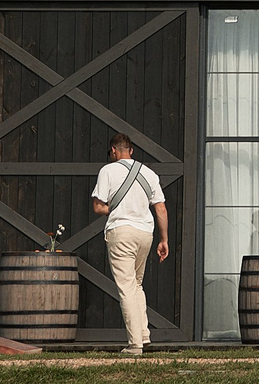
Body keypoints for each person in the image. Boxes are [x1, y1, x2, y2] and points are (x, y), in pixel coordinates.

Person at [92, 133, 170, 355]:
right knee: (136, 285)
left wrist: (116, 209)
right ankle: (144, 336)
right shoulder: (149, 173)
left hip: (122, 232)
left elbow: (98, 207)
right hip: (146, 233)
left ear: (114, 151)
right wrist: (164, 240)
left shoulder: (108, 170)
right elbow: (161, 209)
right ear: (132, 151)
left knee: (126, 287)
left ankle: (135, 345)